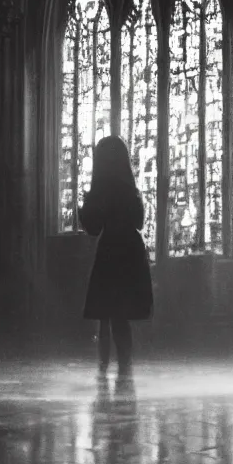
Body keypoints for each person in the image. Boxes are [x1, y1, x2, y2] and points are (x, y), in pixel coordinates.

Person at [79, 136, 153, 375]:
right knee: (121, 314)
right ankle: (125, 367)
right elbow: (140, 222)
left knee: (105, 314)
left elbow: (93, 228)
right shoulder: (130, 190)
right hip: (130, 250)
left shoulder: (101, 191)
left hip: (110, 250)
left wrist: (85, 205)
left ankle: (104, 370)